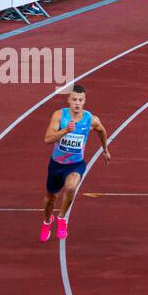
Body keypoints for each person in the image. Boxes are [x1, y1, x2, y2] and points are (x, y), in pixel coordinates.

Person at [41, 84, 110, 242]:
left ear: (84, 101)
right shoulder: (59, 116)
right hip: (56, 164)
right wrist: (65, 131)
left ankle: (62, 218)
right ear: (68, 100)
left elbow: (102, 131)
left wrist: (105, 149)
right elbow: (47, 139)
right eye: (74, 100)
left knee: (71, 186)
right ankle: (47, 220)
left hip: (75, 164)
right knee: (50, 199)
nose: (77, 103)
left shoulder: (90, 119)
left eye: (80, 100)